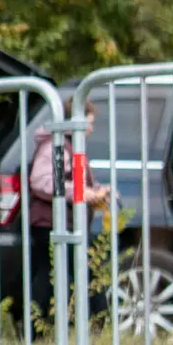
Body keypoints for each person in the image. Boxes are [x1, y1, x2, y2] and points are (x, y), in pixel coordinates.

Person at [23, 103, 112, 322]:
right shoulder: (56, 147)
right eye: (88, 124)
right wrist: (82, 194)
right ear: (74, 123)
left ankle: (39, 326)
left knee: (57, 274)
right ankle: (98, 321)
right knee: (64, 273)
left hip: (65, 222)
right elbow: (41, 181)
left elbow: (75, 181)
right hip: (51, 223)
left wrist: (95, 192)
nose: (91, 129)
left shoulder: (72, 147)